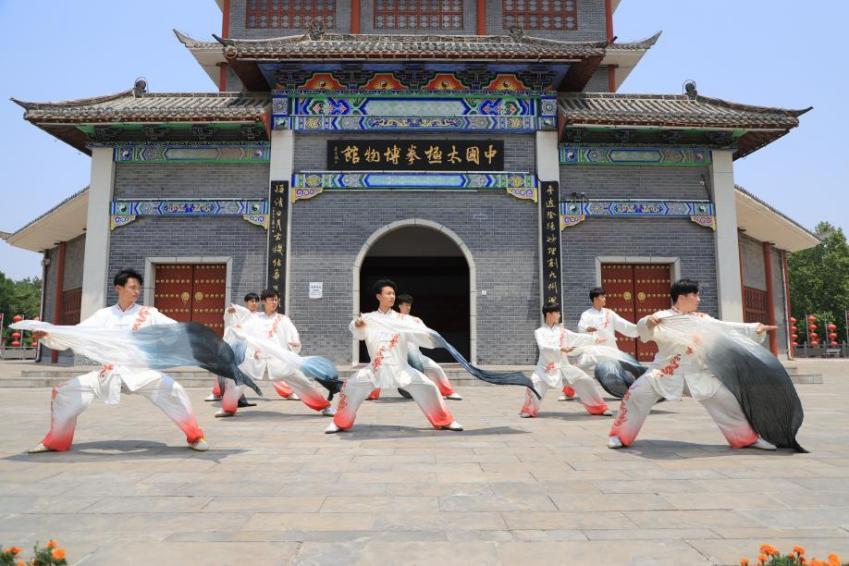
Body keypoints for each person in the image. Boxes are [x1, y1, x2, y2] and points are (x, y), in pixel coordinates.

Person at [28, 269, 208, 452]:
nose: (137, 292)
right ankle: (56, 441)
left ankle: (195, 437)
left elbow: (175, 329)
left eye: (138, 288)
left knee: (174, 390)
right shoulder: (103, 315)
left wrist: (196, 341)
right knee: (64, 392)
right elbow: (76, 334)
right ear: (118, 288)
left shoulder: (148, 313)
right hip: (108, 372)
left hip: (140, 372)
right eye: (132, 287)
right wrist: (47, 334)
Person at [608, 278, 777, 450]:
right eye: (695, 295)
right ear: (682, 297)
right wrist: (648, 323)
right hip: (663, 373)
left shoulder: (702, 319)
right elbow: (643, 330)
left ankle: (746, 439)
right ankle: (619, 436)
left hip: (696, 374)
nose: (698, 299)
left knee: (727, 400)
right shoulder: (662, 318)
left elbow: (725, 327)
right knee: (635, 396)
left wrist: (754, 328)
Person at [326, 280, 463, 433]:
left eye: (393, 294)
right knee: (350, 386)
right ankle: (339, 422)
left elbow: (422, 336)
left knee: (429, 387)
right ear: (379, 296)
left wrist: (424, 330)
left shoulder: (403, 320)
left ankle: (445, 421)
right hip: (375, 369)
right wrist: (358, 326)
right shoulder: (369, 318)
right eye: (388, 293)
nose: (392, 296)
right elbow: (359, 333)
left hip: (402, 369)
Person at [215, 288, 333, 418]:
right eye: (271, 300)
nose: (275, 302)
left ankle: (325, 407)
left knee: (304, 383)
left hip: (279, 362)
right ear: (264, 301)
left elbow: (293, 333)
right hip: (256, 361)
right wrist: (230, 314)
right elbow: (237, 327)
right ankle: (228, 408)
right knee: (235, 381)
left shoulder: (283, 319)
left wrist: (295, 342)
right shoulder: (254, 318)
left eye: (276, 300)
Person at [520, 304, 612, 418]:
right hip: (545, 368)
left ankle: (599, 407)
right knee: (534, 384)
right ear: (549, 314)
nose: (559, 315)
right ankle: (528, 410)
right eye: (557, 313)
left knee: (586, 380)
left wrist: (594, 339)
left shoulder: (562, 331)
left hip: (563, 366)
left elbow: (578, 337)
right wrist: (561, 349)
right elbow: (543, 347)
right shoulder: (539, 332)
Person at [369, 293, 463, 401]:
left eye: (409, 305)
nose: (407, 307)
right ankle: (372, 394)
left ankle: (449, 392)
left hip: (417, 355)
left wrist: (434, 338)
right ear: (399, 306)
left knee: (435, 368)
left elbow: (426, 334)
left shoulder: (416, 320)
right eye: (405, 305)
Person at [558, 286, 640, 400]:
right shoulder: (587, 314)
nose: (605, 298)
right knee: (579, 368)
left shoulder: (609, 313)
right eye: (602, 297)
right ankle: (568, 392)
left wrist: (639, 328)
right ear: (595, 299)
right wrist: (587, 328)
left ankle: (629, 392)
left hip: (608, 348)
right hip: (593, 348)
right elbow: (581, 327)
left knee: (620, 369)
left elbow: (623, 324)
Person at [206, 292, 261, 407]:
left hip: (249, 350)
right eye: (252, 301)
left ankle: (236, 399)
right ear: (246, 303)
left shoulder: (259, 317)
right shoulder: (238, 314)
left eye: (256, 301)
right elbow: (228, 321)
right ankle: (231, 398)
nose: (254, 303)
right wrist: (229, 312)